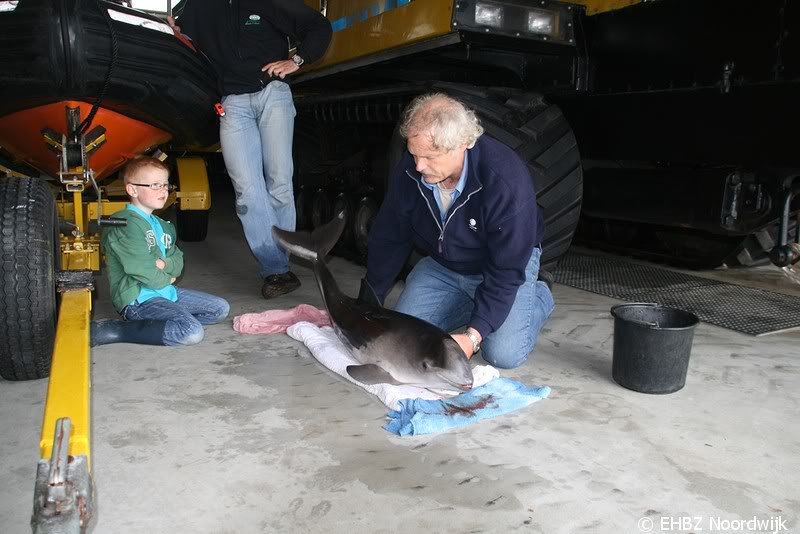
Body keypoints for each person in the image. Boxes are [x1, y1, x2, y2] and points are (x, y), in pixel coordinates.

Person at [360, 93, 555, 369]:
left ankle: (541, 293)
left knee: (502, 354)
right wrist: (370, 298)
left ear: (461, 145)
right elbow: (391, 234)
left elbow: (505, 269)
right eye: (414, 153)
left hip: (500, 265)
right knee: (406, 339)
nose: (418, 166)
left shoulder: (504, 179)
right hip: (445, 265)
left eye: (429, 156)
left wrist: (473, 336)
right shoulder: (411, 170)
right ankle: (477, 303)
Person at [169, 1, 332, 299]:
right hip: (233, 102)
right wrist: (176, 33)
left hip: (272, 93)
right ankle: (277, 270)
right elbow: (189, 44)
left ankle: (281, 262)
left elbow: (319, 27)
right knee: (246, 189)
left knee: (279, 181)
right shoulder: (197, 9)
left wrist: (298, 59)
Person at [91, 157, 230, 346]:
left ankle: (161, 322)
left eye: (165, 185)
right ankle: (119, 330)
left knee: (220, 309)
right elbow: (141, 269)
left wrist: (164, 264)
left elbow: (178, 259)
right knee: (191, 332)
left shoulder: (162, 225)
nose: (163, 191)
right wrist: (167, 277)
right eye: (155, 185)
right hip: (139, 299)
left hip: (167, 292)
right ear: (132, 189)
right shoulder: (125, 224)